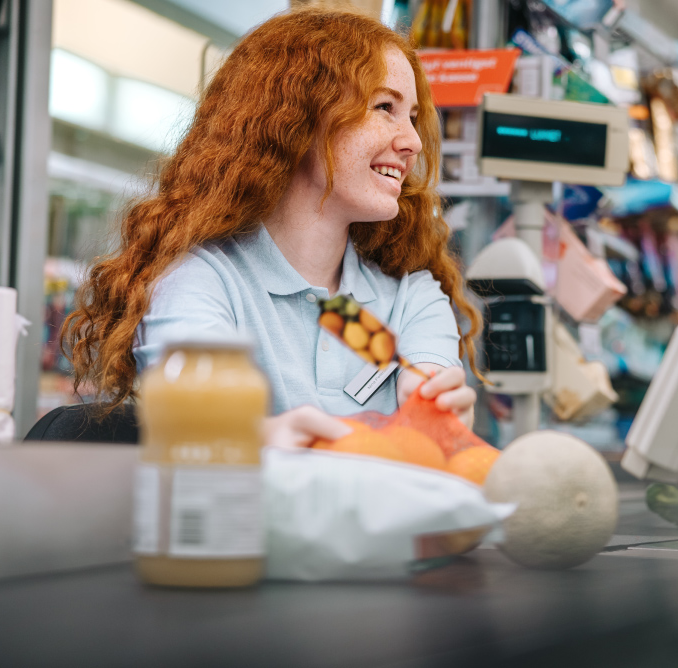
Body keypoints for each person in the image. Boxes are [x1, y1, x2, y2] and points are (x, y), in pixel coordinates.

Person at [61, 7, 482, 448]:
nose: (412, 142)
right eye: (384, 108)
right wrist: (258, 442)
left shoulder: (411, 300)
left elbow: (431, 388)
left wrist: (435, 404)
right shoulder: (202, 283)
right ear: (296, 117)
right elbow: (199, 421)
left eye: (412, 116)